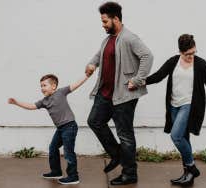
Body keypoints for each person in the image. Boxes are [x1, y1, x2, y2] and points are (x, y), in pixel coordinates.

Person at [85, 1, 153, 186]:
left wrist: (137, 80)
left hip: (123, 95)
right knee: (94, 121)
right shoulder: (107, 39)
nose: (103, 25)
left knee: (125, 135)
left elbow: (147, 56)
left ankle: (129, 173)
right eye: (102, 21)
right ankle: (116, 154)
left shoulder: (129, 38)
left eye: (105, 21)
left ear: (116, 19)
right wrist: (92, 64)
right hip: (105, 93)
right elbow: (100, 55)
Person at [145, 34, 206, 186]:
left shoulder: (201, 64)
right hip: (173, 105)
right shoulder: (173, 61)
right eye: (187, 54)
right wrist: (140, 82)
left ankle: (191, 166)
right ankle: (187, 175)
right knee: (184, 138)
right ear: (180, 52)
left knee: (176, 136)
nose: (191, 56)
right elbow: (158, 76)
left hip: (190, 105)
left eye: (193, 52)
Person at [8, 74, 90, 185]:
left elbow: (76, 84)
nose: (42, 88)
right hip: (61, 128)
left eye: (44, 85)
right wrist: (16, 102)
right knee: (53, 147)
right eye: (41, 86)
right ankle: (56, 171)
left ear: (54, 86)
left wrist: (87, 75)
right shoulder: (44, 101)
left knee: (68, 152)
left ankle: (73, 176)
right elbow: (31, 106)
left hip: (69, 126)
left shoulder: (61, 92)